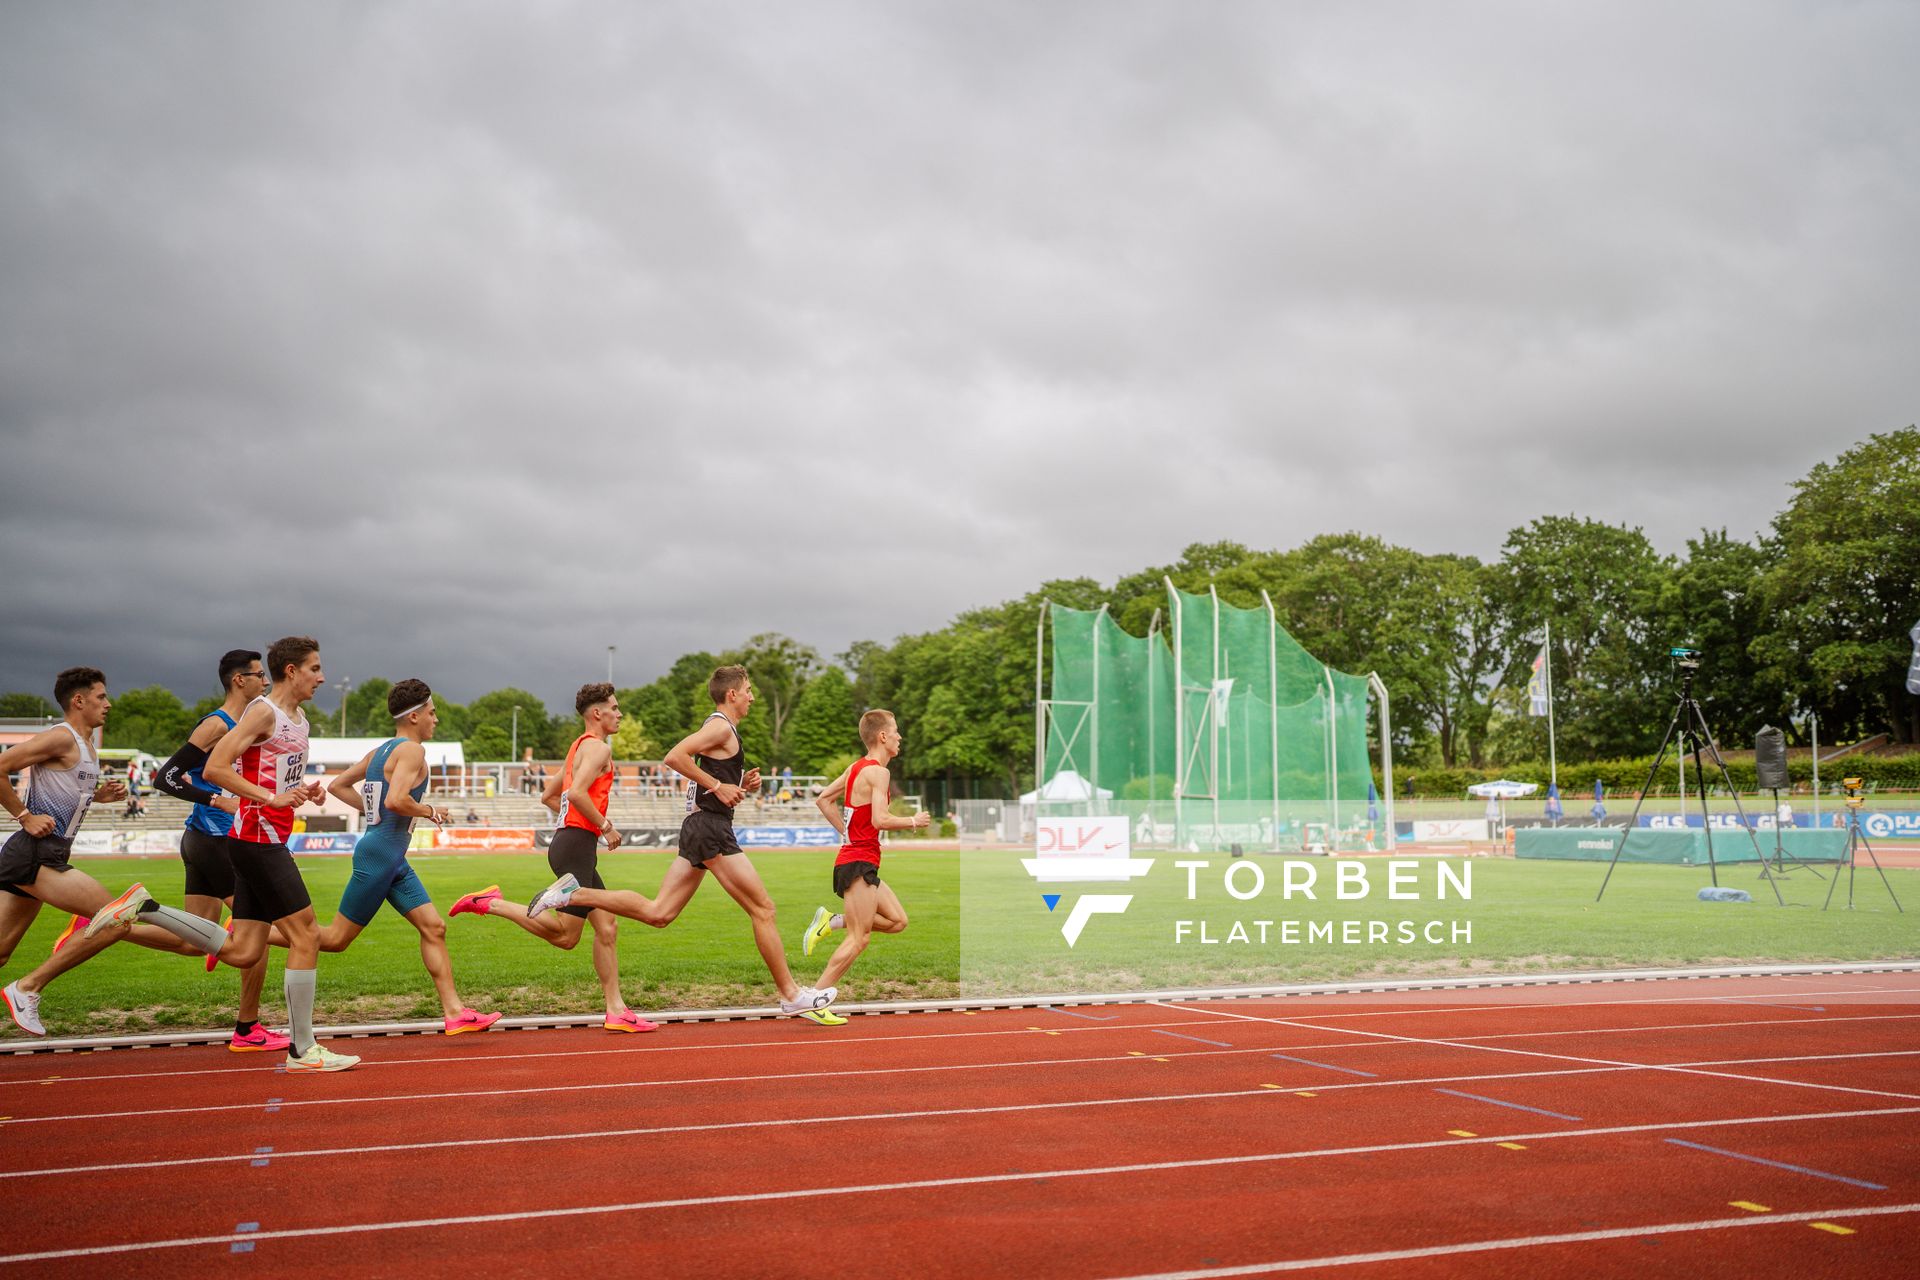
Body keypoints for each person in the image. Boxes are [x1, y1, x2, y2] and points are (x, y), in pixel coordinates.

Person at [524, 665, 840, 1023]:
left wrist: (738, 785)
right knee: (763, 909)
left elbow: (707, 782)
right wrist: (718, 787)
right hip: (710, 830)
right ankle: (791, 995)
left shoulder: (723, 729)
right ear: (732, 694)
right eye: (749, 690)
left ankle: (572, 895)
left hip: (702, 826)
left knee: (659, 913)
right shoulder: (719, 725)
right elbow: (675, 757)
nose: (753, 696)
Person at [1, 668, 235, 1037]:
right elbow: (1, 767)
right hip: (36, 853)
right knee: (116, 918)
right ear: (78, 701)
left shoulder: (86, 745)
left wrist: (98, 796)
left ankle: (24, 987)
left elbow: (63, 792)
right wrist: (24, 815)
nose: (108, 704)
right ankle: (26, 988)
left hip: (44, 853)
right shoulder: (60, 738)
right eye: (101, 697)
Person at [448, 683, 652, 1033]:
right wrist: (603, 825)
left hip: (571, 842)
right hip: (576, 845)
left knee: (607, 926)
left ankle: (616, 1009)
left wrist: (572, 822)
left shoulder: (577, 749)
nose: (620, 714)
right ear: (597, 713)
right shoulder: (598, 748)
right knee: (566, 937)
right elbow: (574, 793)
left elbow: (549, 795)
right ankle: (491, 903)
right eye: (615, 708)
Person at [203, 636, 360, 1073]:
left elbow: (279, 776)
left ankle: (146, 909)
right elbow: (215, 767)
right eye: (314, 668)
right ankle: (303, 1050)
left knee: (243, 949)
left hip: (262, 838)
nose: (322, 677)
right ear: (290, 671)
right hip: (257, 840)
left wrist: (300, 791)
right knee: (307, 936)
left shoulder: (300, 719)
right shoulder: (262, 711)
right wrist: (268, 798)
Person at [318, 679, 501, 1036]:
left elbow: (336, 786)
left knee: (434, 927)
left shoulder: (381, 751)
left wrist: (376, 817)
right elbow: (396, 800)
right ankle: (253, 935)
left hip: (391, 856)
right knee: (335, 940)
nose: (436, 719)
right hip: (380, 857)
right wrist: (430, 809)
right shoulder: (412, 751)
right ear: (414, 716)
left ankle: (455, 1013)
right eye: (432, 713)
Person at [148, 648, 288, 1052]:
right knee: (255, 937)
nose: (265, 681)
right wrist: (218, 801)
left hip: (208, 841)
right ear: (238, 680)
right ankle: (248, 1029)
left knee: (194, 942)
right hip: (216, 839)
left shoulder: (250, 724)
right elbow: (167, 777)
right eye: (259, 675)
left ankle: (110, 925)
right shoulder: (218, 724)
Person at [800, 710, 929, 988]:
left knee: (897, 921)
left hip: (860, 859)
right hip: (857, 861)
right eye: (896, 731)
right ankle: (815, 996)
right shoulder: (878, 773)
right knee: (859, 938)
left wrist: (848, 834)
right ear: (883, 736)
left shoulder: (856, 768)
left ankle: (832, 921)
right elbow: (879, 820)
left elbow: (823, 800)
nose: (900, 737)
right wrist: (913, 821)